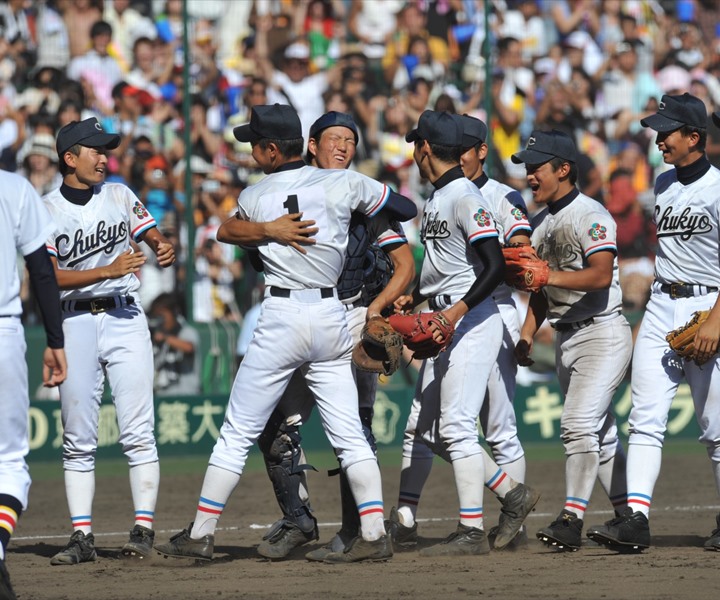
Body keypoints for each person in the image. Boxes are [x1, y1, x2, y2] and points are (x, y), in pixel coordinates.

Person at [154, 104, 417, 564]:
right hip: (332, 316)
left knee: (237, 431)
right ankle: (374, 533)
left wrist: (267, 229)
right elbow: (406, 208)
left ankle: (201, 533)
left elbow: (223, 230)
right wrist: (356, 202)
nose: (252, 151)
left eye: (255, 144)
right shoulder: (345, 182)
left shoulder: (257, 194)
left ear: (272, 149)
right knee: (351, 435)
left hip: (281, 315)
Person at [253, 111, 415, 561]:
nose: (342, 146)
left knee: (354, 429)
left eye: (350, 140)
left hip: (352, 319)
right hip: (297, 318)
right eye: (333, 139)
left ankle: (355, 531)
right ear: (310, 144)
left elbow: (403, 265)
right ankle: (298, 519)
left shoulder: (365, 202)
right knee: (274, 429)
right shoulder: (281, 195)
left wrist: (380, 307)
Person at [389, 110, 533, 557]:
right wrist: (413, 299)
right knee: (428, 428)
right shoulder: (441, 196)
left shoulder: (464, 195)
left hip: (471, 322)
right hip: (447, 319)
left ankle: (472, 529)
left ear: (425, 149)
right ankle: (512, 494)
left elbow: (493, 266)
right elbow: (446, 268)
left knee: (454, 426)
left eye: (417, 145)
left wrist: (454, 313)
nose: (415, 152)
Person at [587, 95, 720, 552]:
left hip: (710, 306)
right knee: (644, 418)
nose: (659, 138)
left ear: (694, 138)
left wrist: (715, 323)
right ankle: (636, 520)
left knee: (716, 425)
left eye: (668, 132)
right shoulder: (663, 184)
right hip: (663, 304)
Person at [43, 117, 176, 565]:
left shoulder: (119, 193)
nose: (104, 158)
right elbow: (48, 277)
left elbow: (148, 231)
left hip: (124, 314)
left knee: (138, 429)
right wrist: (105, 270)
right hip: (75, 321)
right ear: (69, 157)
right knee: (77, 436)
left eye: (106, 150)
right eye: (95, 150)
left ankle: (142, 529)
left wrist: (160, 243)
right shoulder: (46, 210)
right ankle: (82, 537)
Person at [510, 129, 632, 552]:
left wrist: (547, 275)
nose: (530, 176)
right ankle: (629, 516)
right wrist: (527, 335)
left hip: (601, 329)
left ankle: (571, 518)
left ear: (563, 169)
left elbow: (599, 276)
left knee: (577, 425)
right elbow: (541, 292)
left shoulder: (591, 214)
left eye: (537, 168)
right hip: (565, 336)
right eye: (527, 169)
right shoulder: (540, 222)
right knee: (601, 431)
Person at [0, 170, 67, 600]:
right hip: (2, 334)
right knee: (7, 461)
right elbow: (42, 270)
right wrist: (55, 339)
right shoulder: (13, 187)